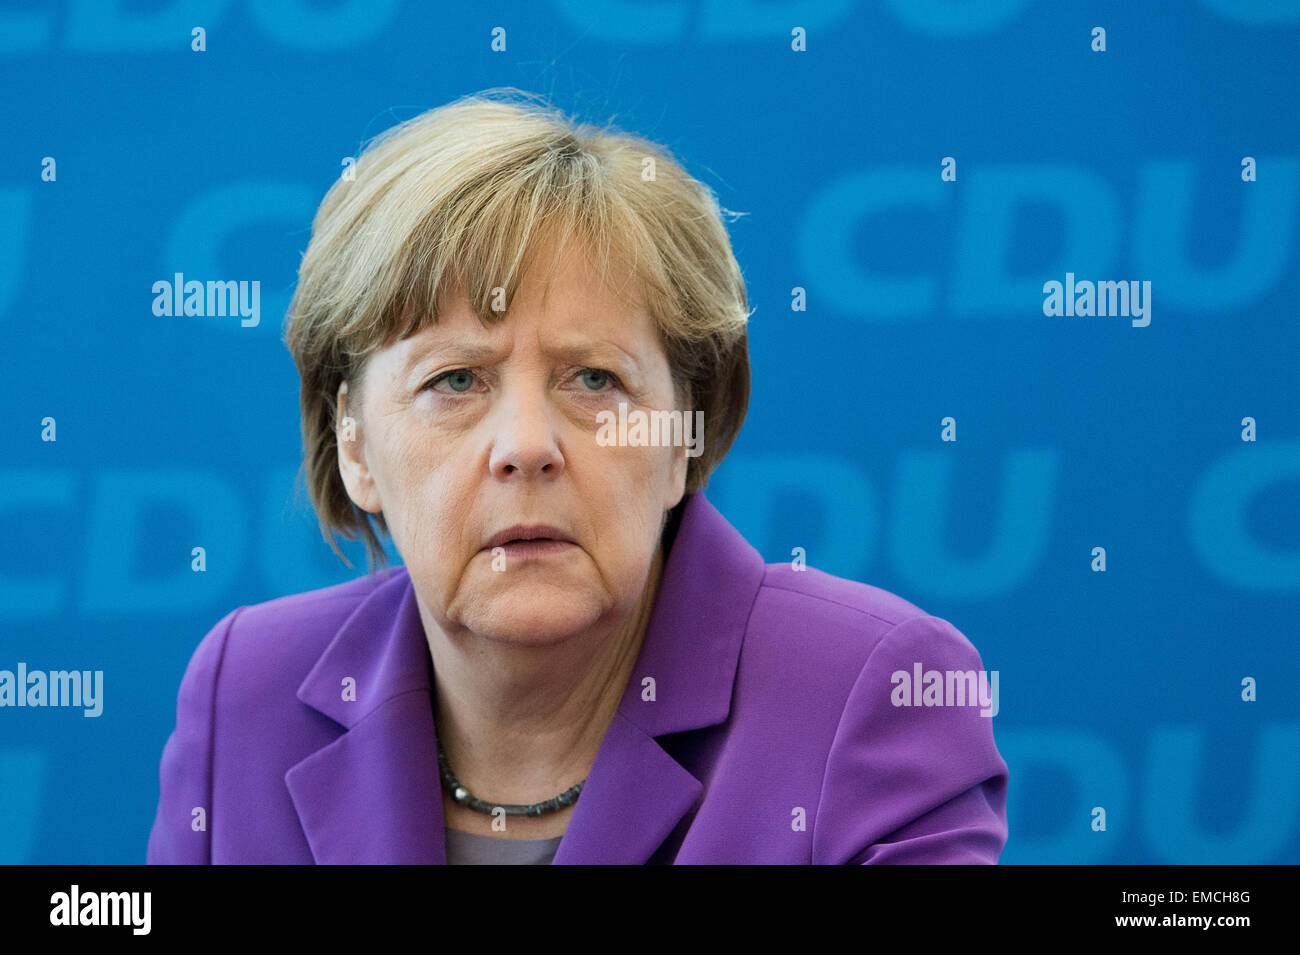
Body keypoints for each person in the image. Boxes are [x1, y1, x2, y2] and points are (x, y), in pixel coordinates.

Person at [146, 87, 1008, 864]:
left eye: (594, 379)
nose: (526, 444)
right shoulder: (244, 692)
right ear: (357, 447)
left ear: (683, 435)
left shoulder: (866, 692)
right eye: (455, 381)